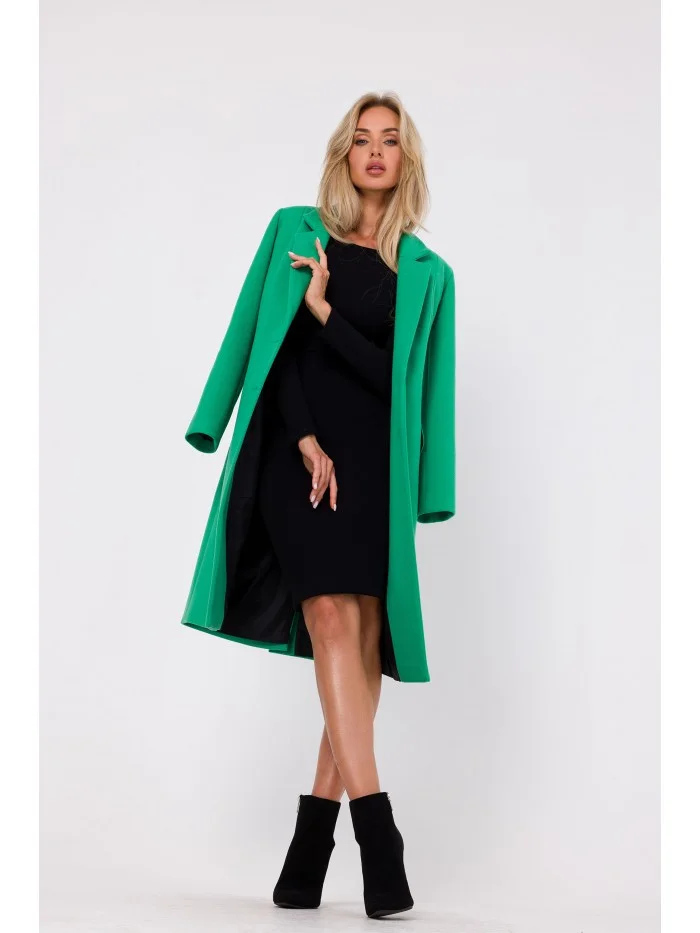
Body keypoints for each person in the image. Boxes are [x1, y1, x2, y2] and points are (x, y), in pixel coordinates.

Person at [182, 92, 456, 919]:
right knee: (331, 619)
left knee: (362, 645)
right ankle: (380, 834)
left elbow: (394, 385)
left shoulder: (428, 274)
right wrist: (303, 438)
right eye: (362, 138)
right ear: (343, 153)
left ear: (405, 160)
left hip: (374, 468)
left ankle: (307, 853)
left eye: (390, 141)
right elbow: (275, 352)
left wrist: (327, 309)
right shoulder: (294, 232)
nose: (375, 151)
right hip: (295, 452)